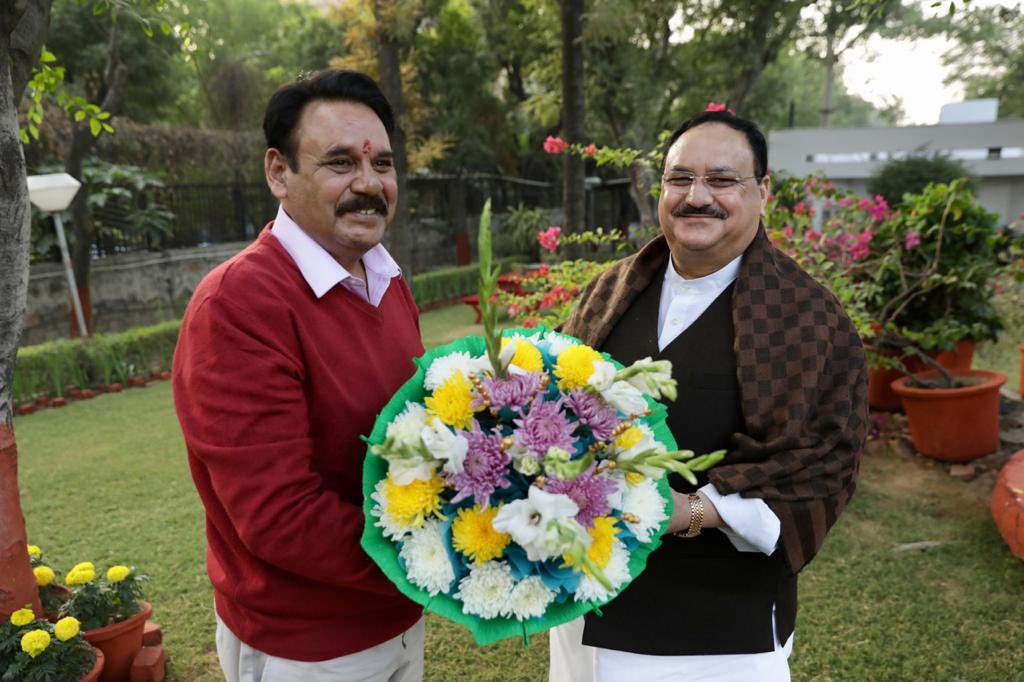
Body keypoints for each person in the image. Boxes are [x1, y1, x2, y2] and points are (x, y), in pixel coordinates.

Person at [549, 109, 867, 681]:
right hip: (586, 599)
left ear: (763, 191)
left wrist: (690, 510)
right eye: (680, 179)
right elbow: (550, 408)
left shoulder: (810, 318)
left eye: (723, 180)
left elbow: (826, 464)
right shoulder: (609, 290)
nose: (698, 197)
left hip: (716, 627)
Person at [172, 70, 425, 682]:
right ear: (278, 173)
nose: (369, 184)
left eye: (383, 164)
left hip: (397, 612)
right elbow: (280, 516)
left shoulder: (384, 279)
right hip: (308, 644)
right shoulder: (239, 304)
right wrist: (446, 555)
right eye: (340, 163)